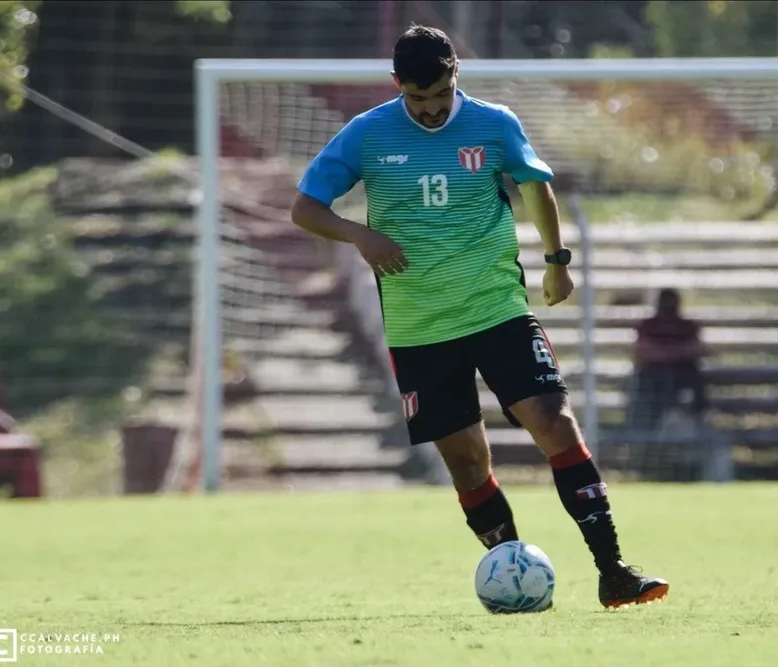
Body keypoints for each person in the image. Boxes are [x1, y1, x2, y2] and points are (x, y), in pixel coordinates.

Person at [291, 24, 668, 609]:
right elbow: (305, 207)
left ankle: (613, 568)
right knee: (467, 461)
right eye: (418, 100)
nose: (432, 110)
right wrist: (356, 234)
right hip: (419, 328)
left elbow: (535, 187)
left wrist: (556, 261)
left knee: (554, 422)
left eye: (440, 96)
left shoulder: (494, 123)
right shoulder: (366, 134)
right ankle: (516, 577)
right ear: (397, 87)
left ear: (454, 76)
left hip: (497, 311)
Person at [631, 289, 711, 430]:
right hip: (654, 375)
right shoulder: (648, 326)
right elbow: (643, 351)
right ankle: (651, 425)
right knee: (659, 377)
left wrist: (666, 354)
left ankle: (697, 418)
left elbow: (699, 349)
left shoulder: (687, 326)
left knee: (691, 376)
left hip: (683, 373)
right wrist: (676, 352)